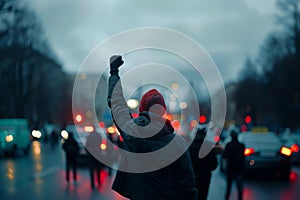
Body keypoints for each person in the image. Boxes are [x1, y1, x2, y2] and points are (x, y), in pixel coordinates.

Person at [107, 55, 198, 200]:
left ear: (142, 109)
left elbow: (118, 105)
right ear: (163, 112)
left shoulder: (133, 134)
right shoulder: (178, 143)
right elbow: (188, 186)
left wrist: (114, 73)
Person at [188, 125, 218, 200]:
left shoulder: (189, 146)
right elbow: (214, 165)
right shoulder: (208, 147)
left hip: (191, 178)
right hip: (205, 178)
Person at [223, 130, 245, 200]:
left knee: (229, 186)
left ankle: (227, 197)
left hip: (231, 168)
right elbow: (243, 157)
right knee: (239, 187)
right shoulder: (241, 146)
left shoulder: (228, 145)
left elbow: (224, 156)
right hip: (239, 169)